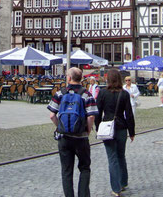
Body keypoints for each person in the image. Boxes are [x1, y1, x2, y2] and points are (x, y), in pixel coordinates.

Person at [48, 67, 98, 197]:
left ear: (69, 78)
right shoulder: (86, 94)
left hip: (64, 137)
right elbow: (91, 116)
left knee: (66, 171)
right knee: (85, 168)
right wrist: (88, 129)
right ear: (81, 78)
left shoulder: (60, 93)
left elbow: (52, 115)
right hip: (81, 137)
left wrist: (60, 127)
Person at [95, 69, 135, 197]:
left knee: (112, 158)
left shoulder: (102, 93)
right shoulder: (124, 94)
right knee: (121, 155)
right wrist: (132, 131)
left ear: (108, 79)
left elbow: (97, 113)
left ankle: (116, 188)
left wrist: (97, 127)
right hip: (121, 128)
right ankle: (123, 182)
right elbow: (129, 114)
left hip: (107, 128)